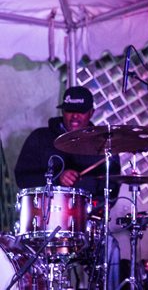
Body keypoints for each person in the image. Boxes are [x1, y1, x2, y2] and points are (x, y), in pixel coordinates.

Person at [15, 85, 122, 288]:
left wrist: (84, 188)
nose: (74, 117)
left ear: (91, 112)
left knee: (111, 250)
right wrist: (57, 178)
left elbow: (112, 189)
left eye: (81, 112)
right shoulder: (40, 138)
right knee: (18, 260)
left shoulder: (104, 144)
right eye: (69, 111)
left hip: (86, 227)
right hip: (42, 230)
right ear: (62, 111)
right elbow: (22, 178)